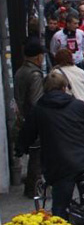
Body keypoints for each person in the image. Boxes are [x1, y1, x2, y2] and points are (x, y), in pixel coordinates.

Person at [17, 72, 84, 225]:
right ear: (65, 88)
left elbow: (28, 133)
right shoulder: (78, 105)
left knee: (60, 208)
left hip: (61, 164)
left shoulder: (39, 110)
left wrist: (20, 148)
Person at [13, 40, 45, 198]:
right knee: (37, 154)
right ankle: (33, 189)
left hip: (23, 118)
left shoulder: (20, 71)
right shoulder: (35, 74)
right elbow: (36, 100)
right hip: (32, 120)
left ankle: (32, 186)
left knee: (34, 153)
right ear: (39, 57)